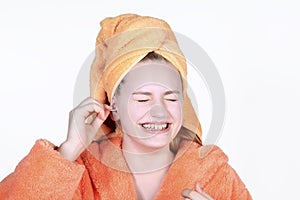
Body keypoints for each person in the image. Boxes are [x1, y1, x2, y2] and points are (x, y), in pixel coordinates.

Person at [0, 14, 251, 199]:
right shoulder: (82, 173)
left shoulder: (217, 175)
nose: (159, 111)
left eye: (171, 98)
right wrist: (69, 150)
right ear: (114, 107)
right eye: (142, 98)